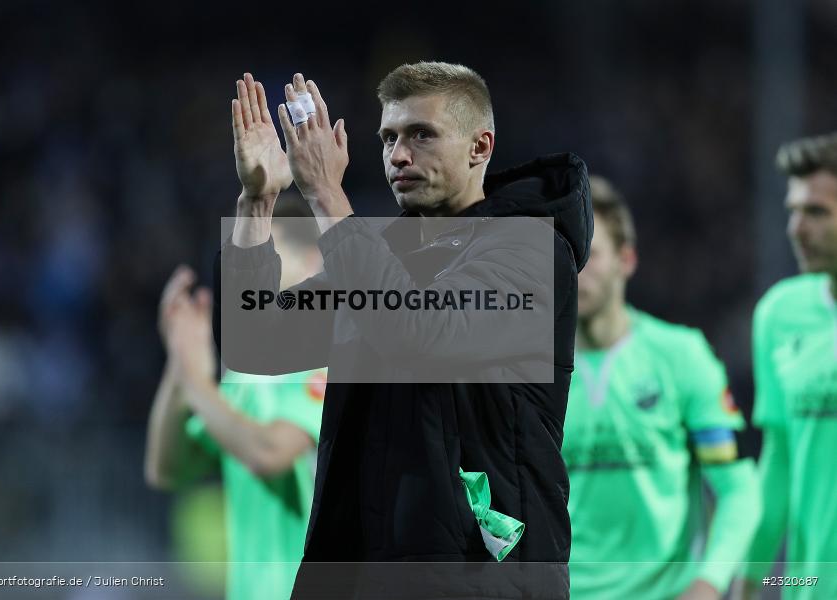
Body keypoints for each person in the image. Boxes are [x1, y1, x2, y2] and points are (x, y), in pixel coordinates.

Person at [216, 63, 592, 598]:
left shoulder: (529, 251)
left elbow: (417, 330)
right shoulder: (382, 256)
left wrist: (325, 192)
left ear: (480, 147)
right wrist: (257, 201)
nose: (398, 155)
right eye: (388, 138)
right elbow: (255, 340)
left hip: (482, 577)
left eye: (421, 135)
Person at [563, 176, 761, 600]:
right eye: (562, 255)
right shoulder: (524, 373)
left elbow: (739, 489)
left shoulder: (681, 357)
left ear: (626, 260)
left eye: (588, 254)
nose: (573, 269)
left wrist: (709, 582)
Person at [145, 195, 326, 600]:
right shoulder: (245, 379)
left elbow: (268, 452)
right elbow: (167, 469)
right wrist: (180, 361)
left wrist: (196, 382)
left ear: (313, 263)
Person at [739, 132, 837, 600]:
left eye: (816, 212)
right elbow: (777, 461)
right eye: (793, 211)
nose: (797, 229)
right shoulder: (779, 314)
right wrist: (749, 578)